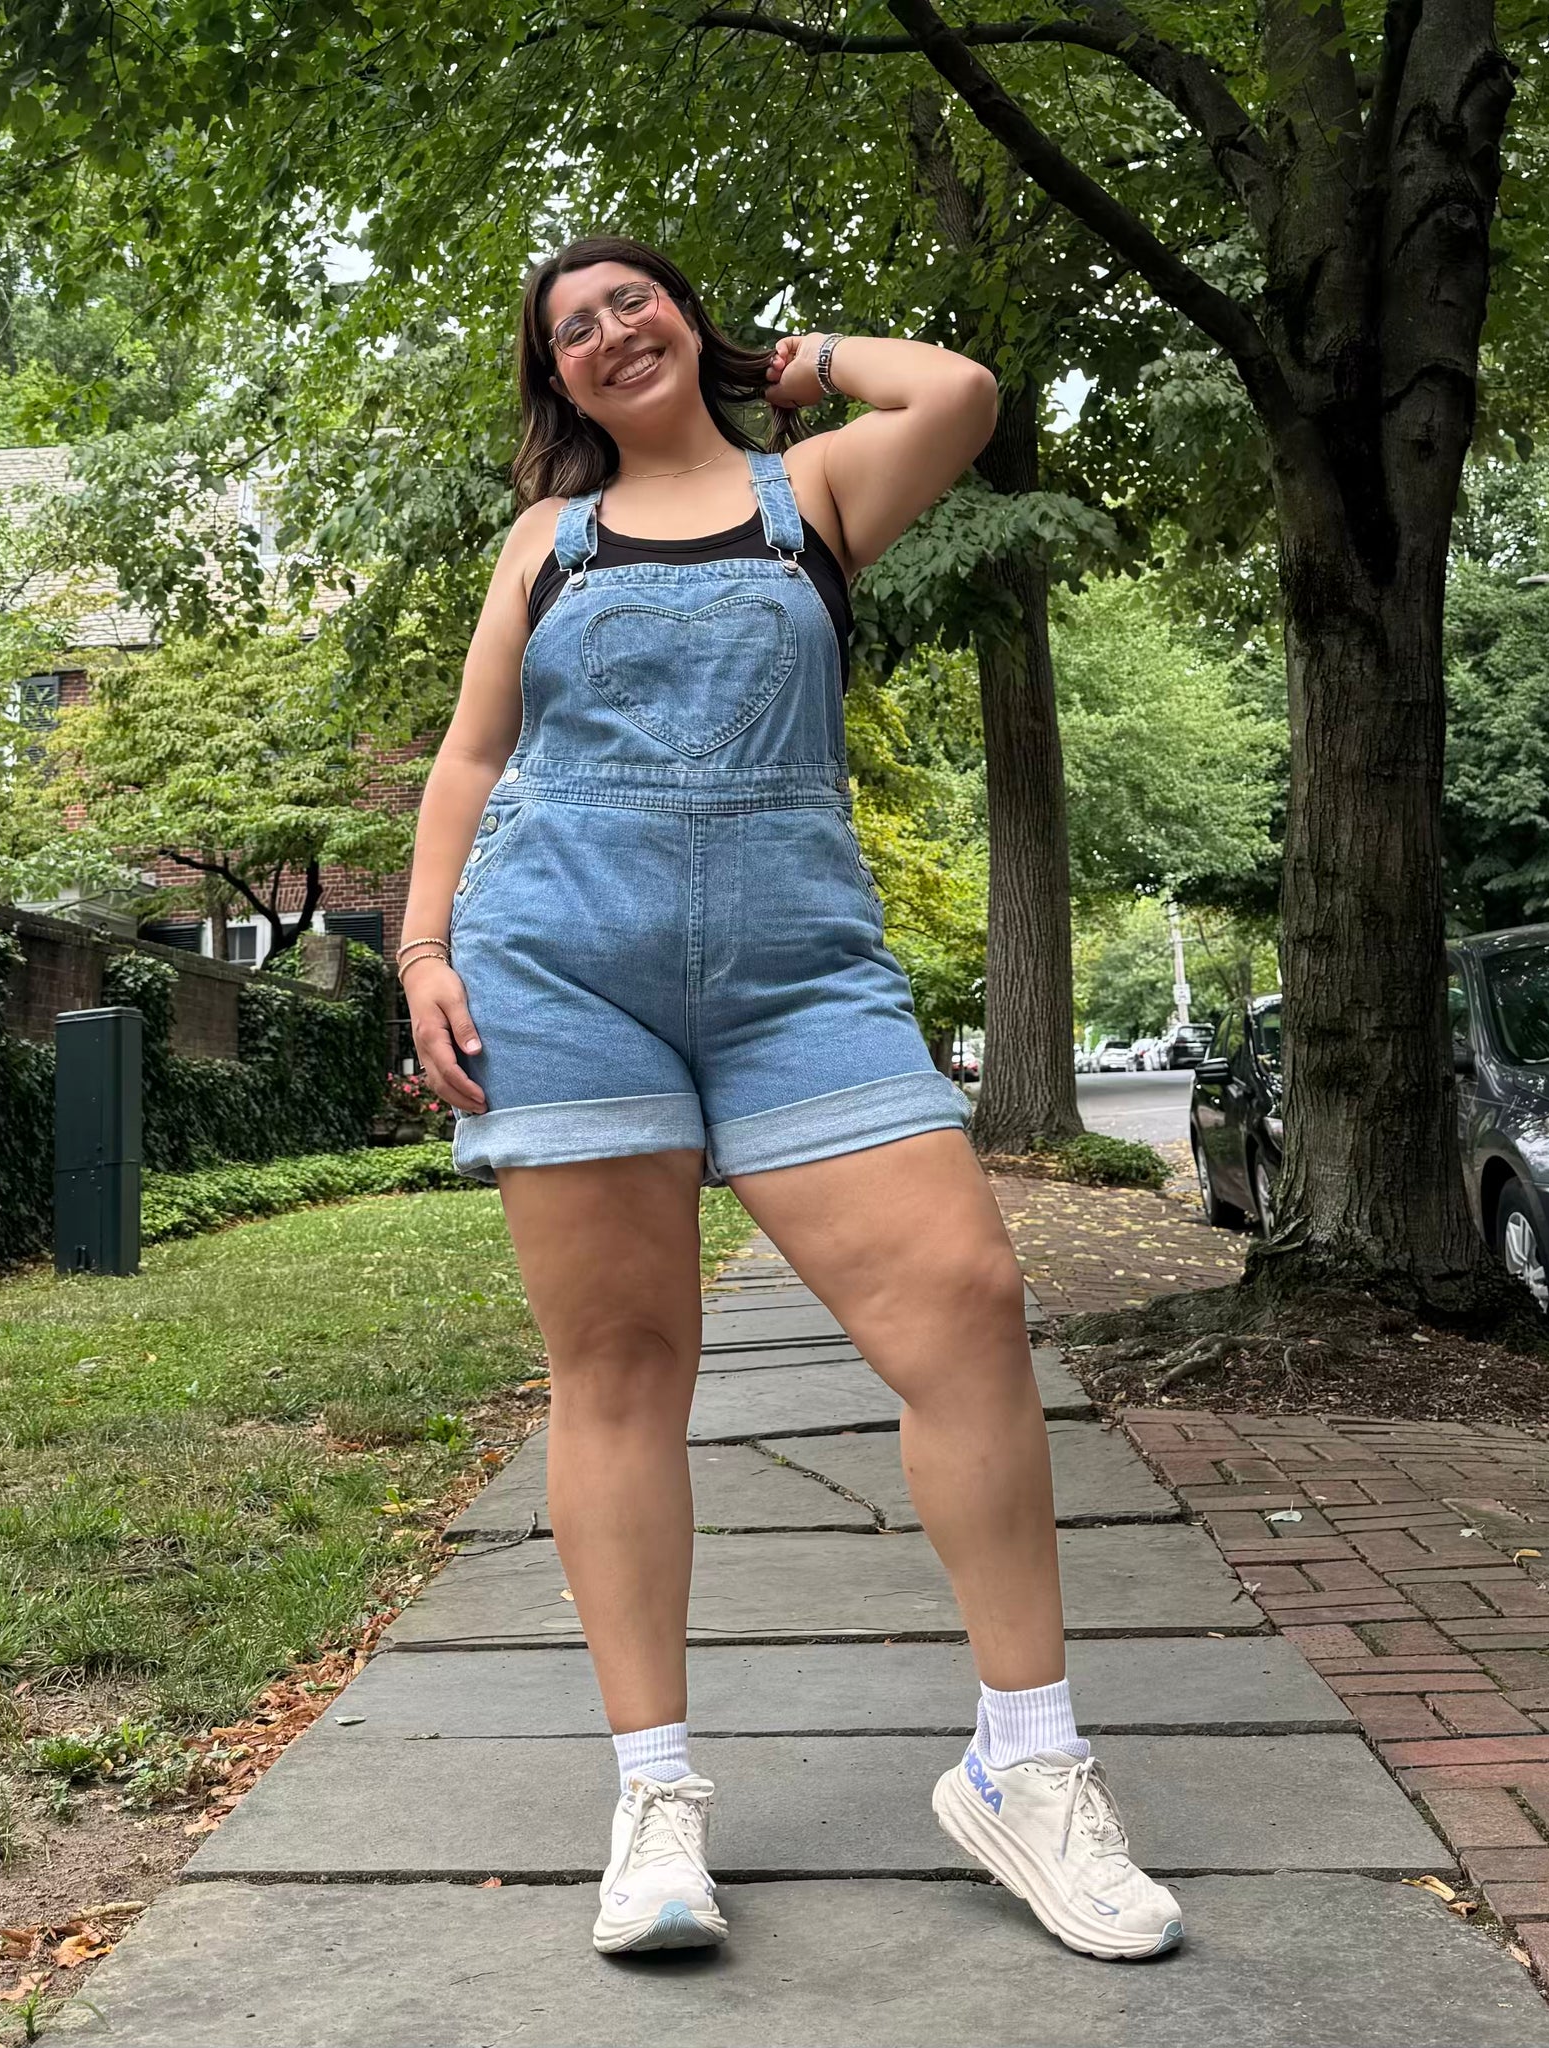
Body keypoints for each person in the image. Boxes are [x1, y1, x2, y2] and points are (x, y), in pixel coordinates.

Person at [396, 235, 1182, 1963]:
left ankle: (1027, 1763)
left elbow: (960, 393)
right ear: (554, 380)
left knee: (965, 1304)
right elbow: (472, 753)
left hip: (801, 980)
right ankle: (655, 1800)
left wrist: (804, 360)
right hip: (560, 972)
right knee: (619, 1369)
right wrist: (424, 945)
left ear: (688, 320)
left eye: (633, 300)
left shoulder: (811, 490)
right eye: (573, 329)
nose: (610, 331)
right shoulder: (544, 541)